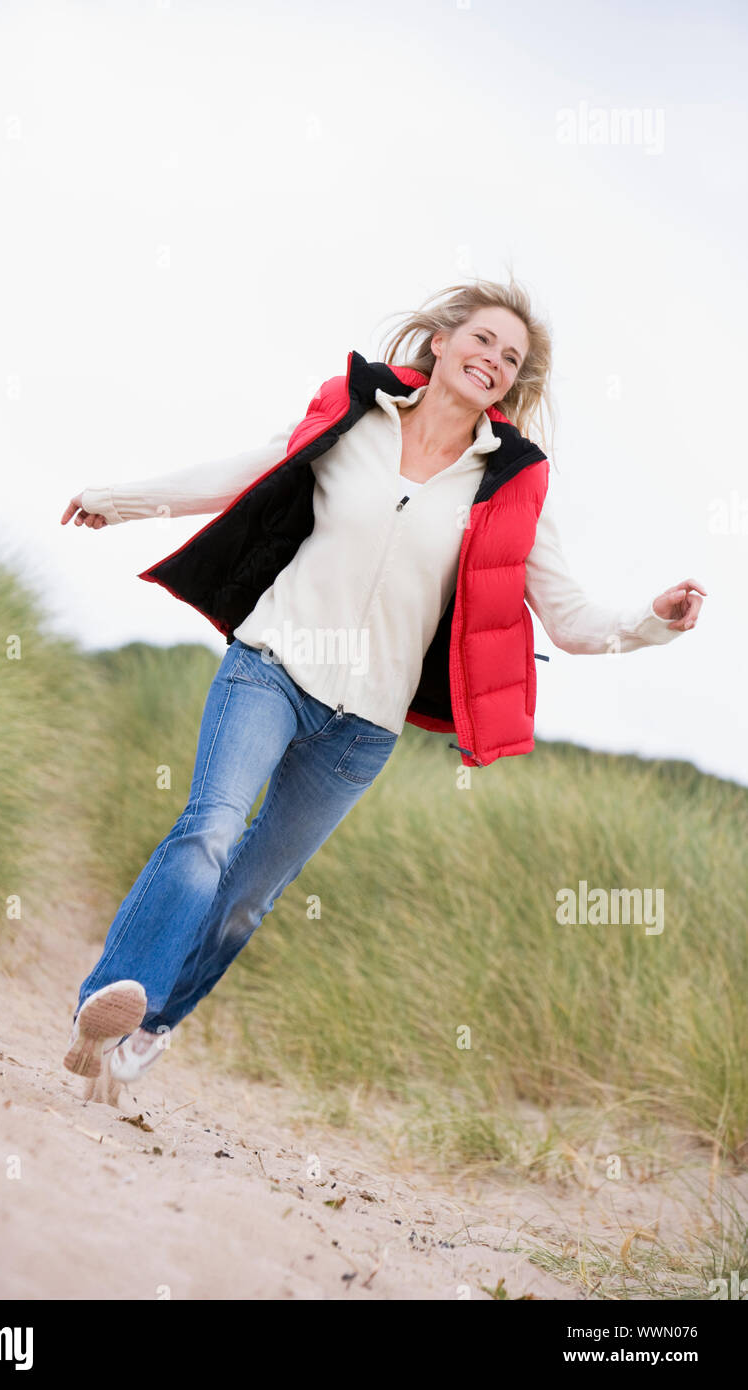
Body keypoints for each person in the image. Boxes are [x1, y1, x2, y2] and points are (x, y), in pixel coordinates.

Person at [59, 277, 705, 1105]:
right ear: (441, 343)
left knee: (250, 894)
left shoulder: (508, 484)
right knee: (211, 830)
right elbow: (243, 472)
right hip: (272, 667)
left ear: (512, 384)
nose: (493, 362)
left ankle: (148, 1028)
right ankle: (107, 1006)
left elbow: (571, 620)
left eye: (510, 360)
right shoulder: (353, 417)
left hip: (361, 728)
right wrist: (117, 501)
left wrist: (652, 621)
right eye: (482, 342)